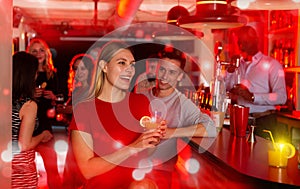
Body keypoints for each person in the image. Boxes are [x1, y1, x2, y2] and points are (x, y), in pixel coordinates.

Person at [63, 40, 166, 189]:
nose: (129, 69)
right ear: (104, 67)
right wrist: (133, 147)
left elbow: (148, 152)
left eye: (132, 64)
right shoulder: (84, 110)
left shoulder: (140, 102)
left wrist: (154, 138)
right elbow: (87, 170)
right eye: (122, 63)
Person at [140, 47, 217, 188]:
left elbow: (211, 128)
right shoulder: (141, 96)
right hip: (132, 165)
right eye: (162, 69)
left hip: (159, 170)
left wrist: (170, 132)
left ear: (180, 76)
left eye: (172, 72)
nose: (165, 76)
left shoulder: (182, 103)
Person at [225, 26, 287, 140]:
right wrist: (229, 72)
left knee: (261, 156)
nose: (241, 46)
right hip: (240, 120)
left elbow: (282, 97)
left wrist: (253, 97)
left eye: (246, 42)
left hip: (263, 120)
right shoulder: (239, 65)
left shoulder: (272, 64)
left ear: (256, 41)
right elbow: (227, 88)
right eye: (240, 42)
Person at [12, 51, 53, 188]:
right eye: (35, 72)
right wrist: (42, 136)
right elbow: (24, 145)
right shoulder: (28, 105)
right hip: (20, 168)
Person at [26, 38, 63, 189]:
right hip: (26, 125)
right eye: (34, 51)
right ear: (29, 54)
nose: (38, 53)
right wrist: (30, 94)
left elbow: (61, 99)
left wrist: (53, 98)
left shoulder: (51, 74)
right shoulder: (24, 73)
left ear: (46, 53)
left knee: (52, 168)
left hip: (44, 125)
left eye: (41, 50)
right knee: (23, 170)